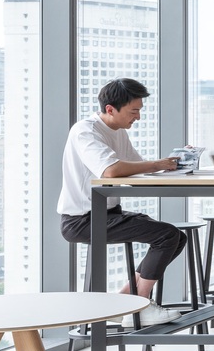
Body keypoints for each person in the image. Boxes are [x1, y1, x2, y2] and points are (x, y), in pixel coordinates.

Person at [58, 77, 188, 326]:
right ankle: (139, 307)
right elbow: (111, 170)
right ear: (110, 109)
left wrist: (175, 163)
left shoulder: (118, 132)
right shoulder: (85, 131)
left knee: (177, 237)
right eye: (133, 111)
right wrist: (155, 165)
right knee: (166, 236)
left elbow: (138, 170)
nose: (138, 117)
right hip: (82, 220)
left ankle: (124, 303)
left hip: (107, 213)